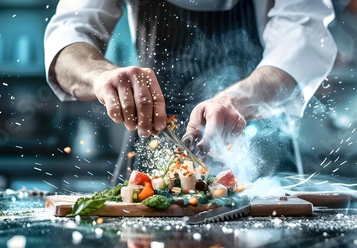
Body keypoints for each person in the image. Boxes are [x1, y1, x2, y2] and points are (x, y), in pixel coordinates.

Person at [44, 0, 337, 182]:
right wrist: (101, 75)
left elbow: (303, 40)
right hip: (152, 140)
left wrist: (231, 101)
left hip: (260, 139)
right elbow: (69, 35)